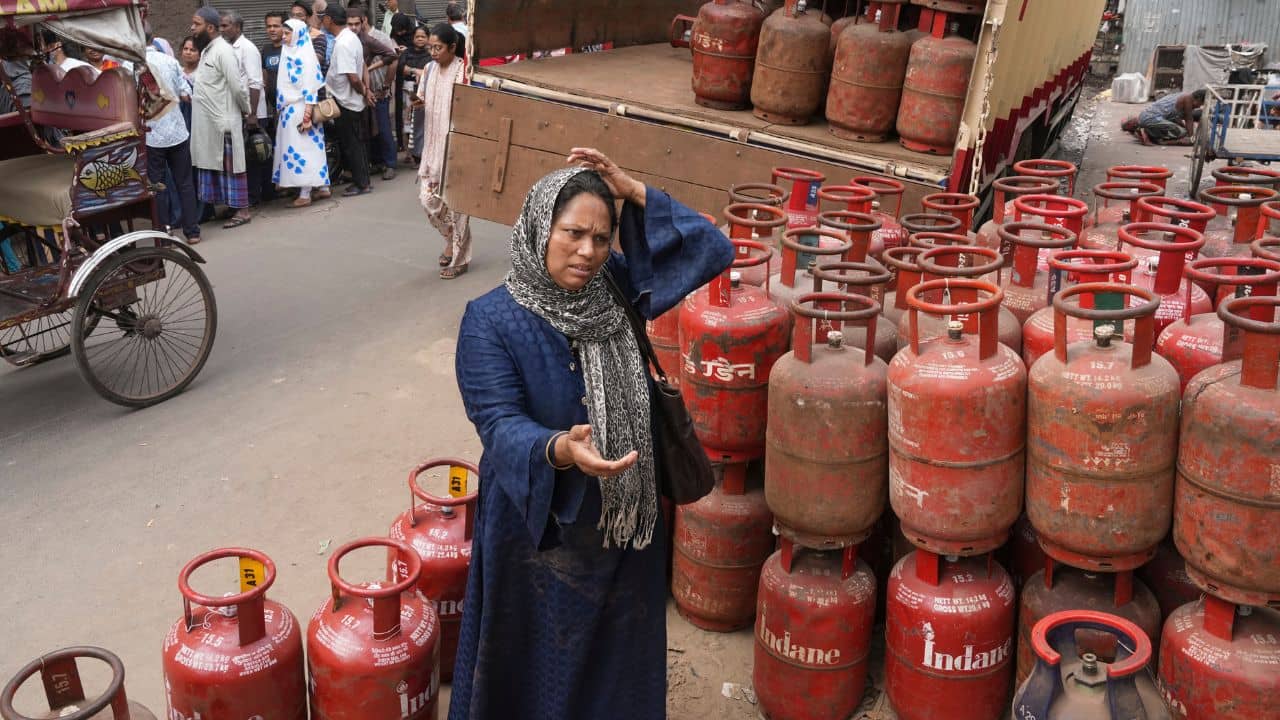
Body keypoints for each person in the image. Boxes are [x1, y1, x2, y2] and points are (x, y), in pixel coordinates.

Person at [450, 148, 734, 720]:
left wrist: (634, 191)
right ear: (538, 227)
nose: (588, 252)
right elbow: (498, 423)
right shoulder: (491, 320)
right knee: (536, 672)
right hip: (539, 536)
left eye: (602, 239)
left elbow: (713, 249)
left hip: (625, 532)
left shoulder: (618, 287)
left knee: (617, 673)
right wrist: (558, 449)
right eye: (573, 233)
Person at [190, 6, 253, 229]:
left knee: (231, 168)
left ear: (209, 27)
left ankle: (243, 210)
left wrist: (247, 110)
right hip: (210, 123)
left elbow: (237, 86)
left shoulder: (223, 51)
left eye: (196, 24)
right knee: (219, 167)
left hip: (223, 121)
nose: (192, 28)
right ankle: (233, 206)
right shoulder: (209, 50)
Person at [417, 22, 469, 278]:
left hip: (458, 149)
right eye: (430, 48)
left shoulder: (465, 72)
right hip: (431, 150)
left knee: (457, 206)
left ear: (452, 47)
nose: (433, 53)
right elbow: (423, 98)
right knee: (428, 201)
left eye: (438, 48)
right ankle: (450, 239)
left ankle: (459, 258)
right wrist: (417, 104)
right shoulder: (428, 70)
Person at [144, 30, 201, 243]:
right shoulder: (170, 61)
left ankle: (164, 233)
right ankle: (192, 232)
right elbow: (186, 93)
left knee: (157, 185)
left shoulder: (133, 66)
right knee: (184, 182)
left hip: (152, 135)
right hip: (177, 131)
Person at [273, 19, 330, 207]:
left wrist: (306, 116)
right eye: (284, 33)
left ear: (298, 34)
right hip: (290, 109)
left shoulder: (305, 54)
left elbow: (311, 87)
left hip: (300, 108)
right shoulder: (289, 51)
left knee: (301, 150)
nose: (284, 36)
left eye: (287, 34)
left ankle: (305, 194)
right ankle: (322, 187)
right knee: (309, 149)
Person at [221, 10, 271, 206]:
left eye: (225, 26)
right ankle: (255, 196)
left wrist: (252, 115)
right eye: (220, 26)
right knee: (247, 157)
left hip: (252, 113)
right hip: (239, 112)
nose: (222, 29)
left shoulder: (247, 48)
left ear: (237, 27)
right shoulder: (228, 48)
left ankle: (254, 198)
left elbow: (255, 82)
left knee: (254, 156)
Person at [322, 4, 371, 196]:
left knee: (352, 144)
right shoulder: (349, 38)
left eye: (324, 17)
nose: (322, 21)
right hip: (350, 100)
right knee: (356, 143)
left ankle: (362, 184)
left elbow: (352, 76)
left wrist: (363, 91)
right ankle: (363, 180)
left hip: (347, 102)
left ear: (330, 20)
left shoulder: (343, 43)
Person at [349, 7, 398, 180]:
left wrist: (385, 86)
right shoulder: (351, 40)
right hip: (361, 92)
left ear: (363, 20)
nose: (353, 27)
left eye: (356, 23)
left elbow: (393, 60)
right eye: (350, 24)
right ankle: (377, 162)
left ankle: (390, 163)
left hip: (378, 90)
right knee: (370, 129)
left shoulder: (379, 37)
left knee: (383, 128)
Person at [1124, 89, 1206, 146]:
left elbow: (1176, 119)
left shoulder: (1183, 95)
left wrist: (1187, 132)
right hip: (1151, 118)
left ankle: (1148, 132)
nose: (1199, 106)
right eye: (1200, 103)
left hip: (1146, 116)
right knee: (1182, 133)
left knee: (1182, 131)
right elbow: (1189, 119)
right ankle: (1161, 140)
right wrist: (1191, 138)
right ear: (1198, 98)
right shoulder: (1188, 99)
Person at [400, 25, 430, 165]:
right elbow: (401, 68)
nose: (420, 39)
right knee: (407, 123)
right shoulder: (406, 53)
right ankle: (409, 154)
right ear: (413, 38)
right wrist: (416, 71)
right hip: (408, 91)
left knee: (420, 122)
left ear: (428, 39)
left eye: (423, 36)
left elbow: (430, 71)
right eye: (417, 36)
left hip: (424, 92)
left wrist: (416, 71)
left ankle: (422, 153)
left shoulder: (431, 55)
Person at [290, 0, 327, 73]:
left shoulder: (318, 36)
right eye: (292, 15)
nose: (294, 18)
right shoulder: (287, 36)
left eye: (299, 15)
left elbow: (315, 61)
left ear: (308, 17)